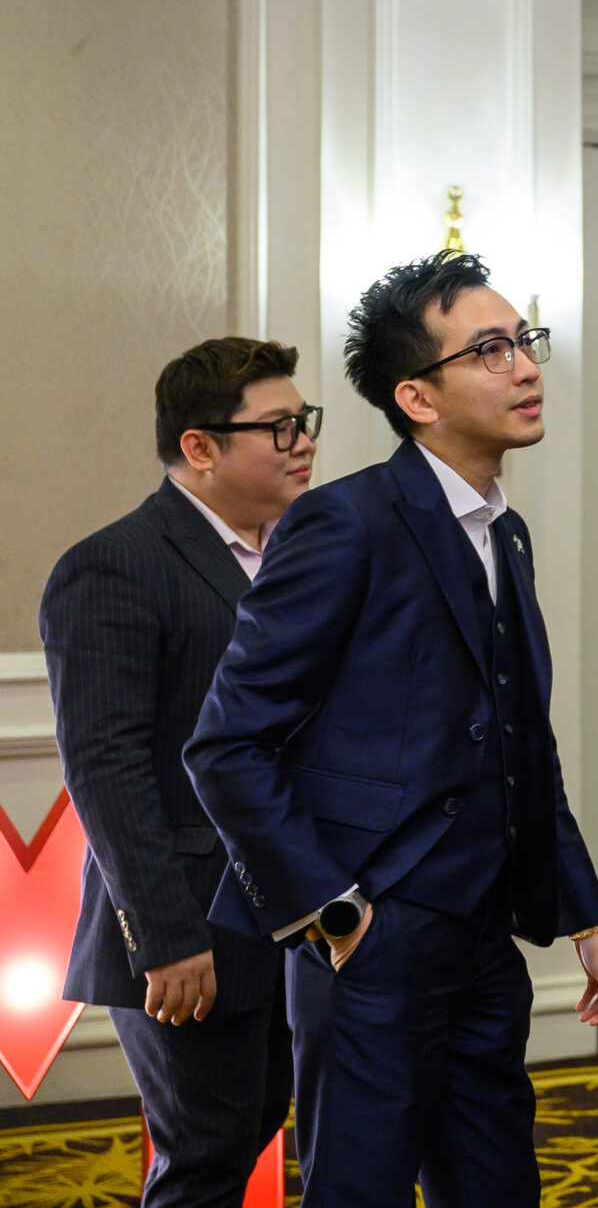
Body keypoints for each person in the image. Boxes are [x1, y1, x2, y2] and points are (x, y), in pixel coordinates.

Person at [185, 252, 598, 1208]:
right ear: (418, 397)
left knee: (498, 1187)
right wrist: (334, 916)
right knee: (361, 1191)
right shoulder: (344, 523)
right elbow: (226, 746)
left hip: (485, 936)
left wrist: (587, 916)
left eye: (525, 341)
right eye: (491, 349)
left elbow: (523, 743)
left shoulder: (505, 532)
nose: (527, 367)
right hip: (374, 941)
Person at [40, 338, 315, 1207]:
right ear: (200, 446)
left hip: (291, 915)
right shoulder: (115, 562)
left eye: (304, 420)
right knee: (204, 1157)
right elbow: (107, 766)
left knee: (257, 1118)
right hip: (186, 924)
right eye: (278, 426)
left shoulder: (300, 552)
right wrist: (164, 934)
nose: (304, 441)